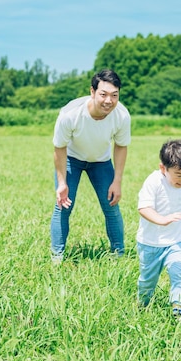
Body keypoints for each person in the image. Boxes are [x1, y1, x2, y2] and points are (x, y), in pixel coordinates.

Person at [50, 69, 131, 263]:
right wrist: (61, 183)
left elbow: (121, 146)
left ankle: (118, 255)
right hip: (72, 159)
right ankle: (57, 257)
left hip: (101, 162)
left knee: (111, 205)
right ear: (93, 92)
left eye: (114, 95)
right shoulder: (70, 114)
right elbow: (59, 148)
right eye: (103, 94)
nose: (108, 101)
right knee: (63, 206)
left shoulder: (121, 115)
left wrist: (117, 181)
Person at [136, 139, 181, 321]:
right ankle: (143, 304)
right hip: (150, 243)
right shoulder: (154, 182)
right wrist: (162, 220)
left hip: (174, 240)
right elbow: (144, 208)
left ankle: (179, 309)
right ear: (163, 168)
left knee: (180, 272)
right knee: (148, 280)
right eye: (179, 175)